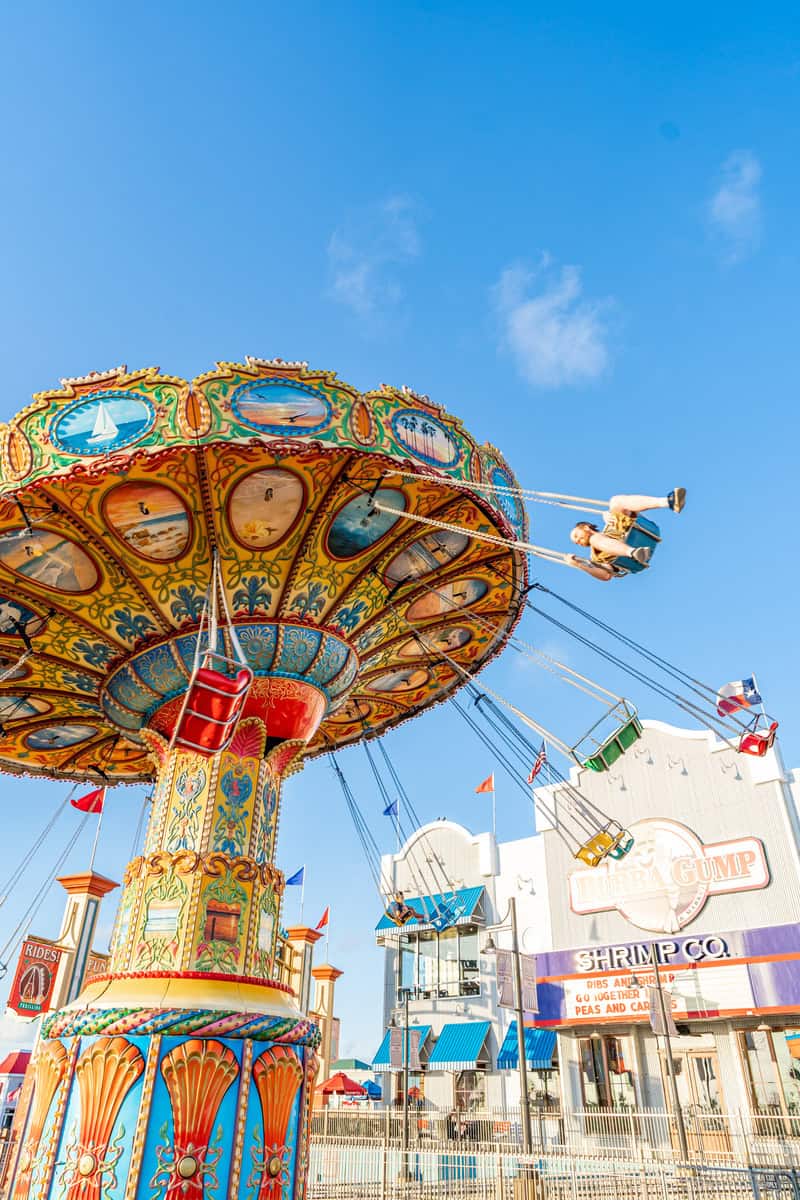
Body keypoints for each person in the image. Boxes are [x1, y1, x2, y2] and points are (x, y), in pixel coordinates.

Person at [568, 488, 686, 581]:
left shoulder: (610, 523)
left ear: (586, 527)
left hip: (631, 529)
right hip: (628, 555)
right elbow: (606, 575)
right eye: (575, 542)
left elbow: (620, 513)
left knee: (615, 501)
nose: (577, 541)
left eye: (576, 536)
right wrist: (579, 565)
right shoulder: (596, 556)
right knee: (595, 540)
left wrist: (609, 514)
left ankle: (668, 502)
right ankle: (633, 552)